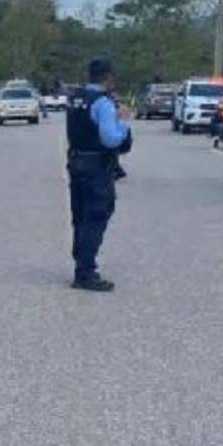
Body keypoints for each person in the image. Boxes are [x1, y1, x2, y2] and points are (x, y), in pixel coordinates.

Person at [66, 58, 132, 292]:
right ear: (108, 77)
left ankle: (80, 261)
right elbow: (110, 139)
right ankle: (85, 272)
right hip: (96, 164)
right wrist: (123, 122)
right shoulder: (103, 103)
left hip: (76, 161)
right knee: (96, 214)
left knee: (80, 214)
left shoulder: (76, 98)